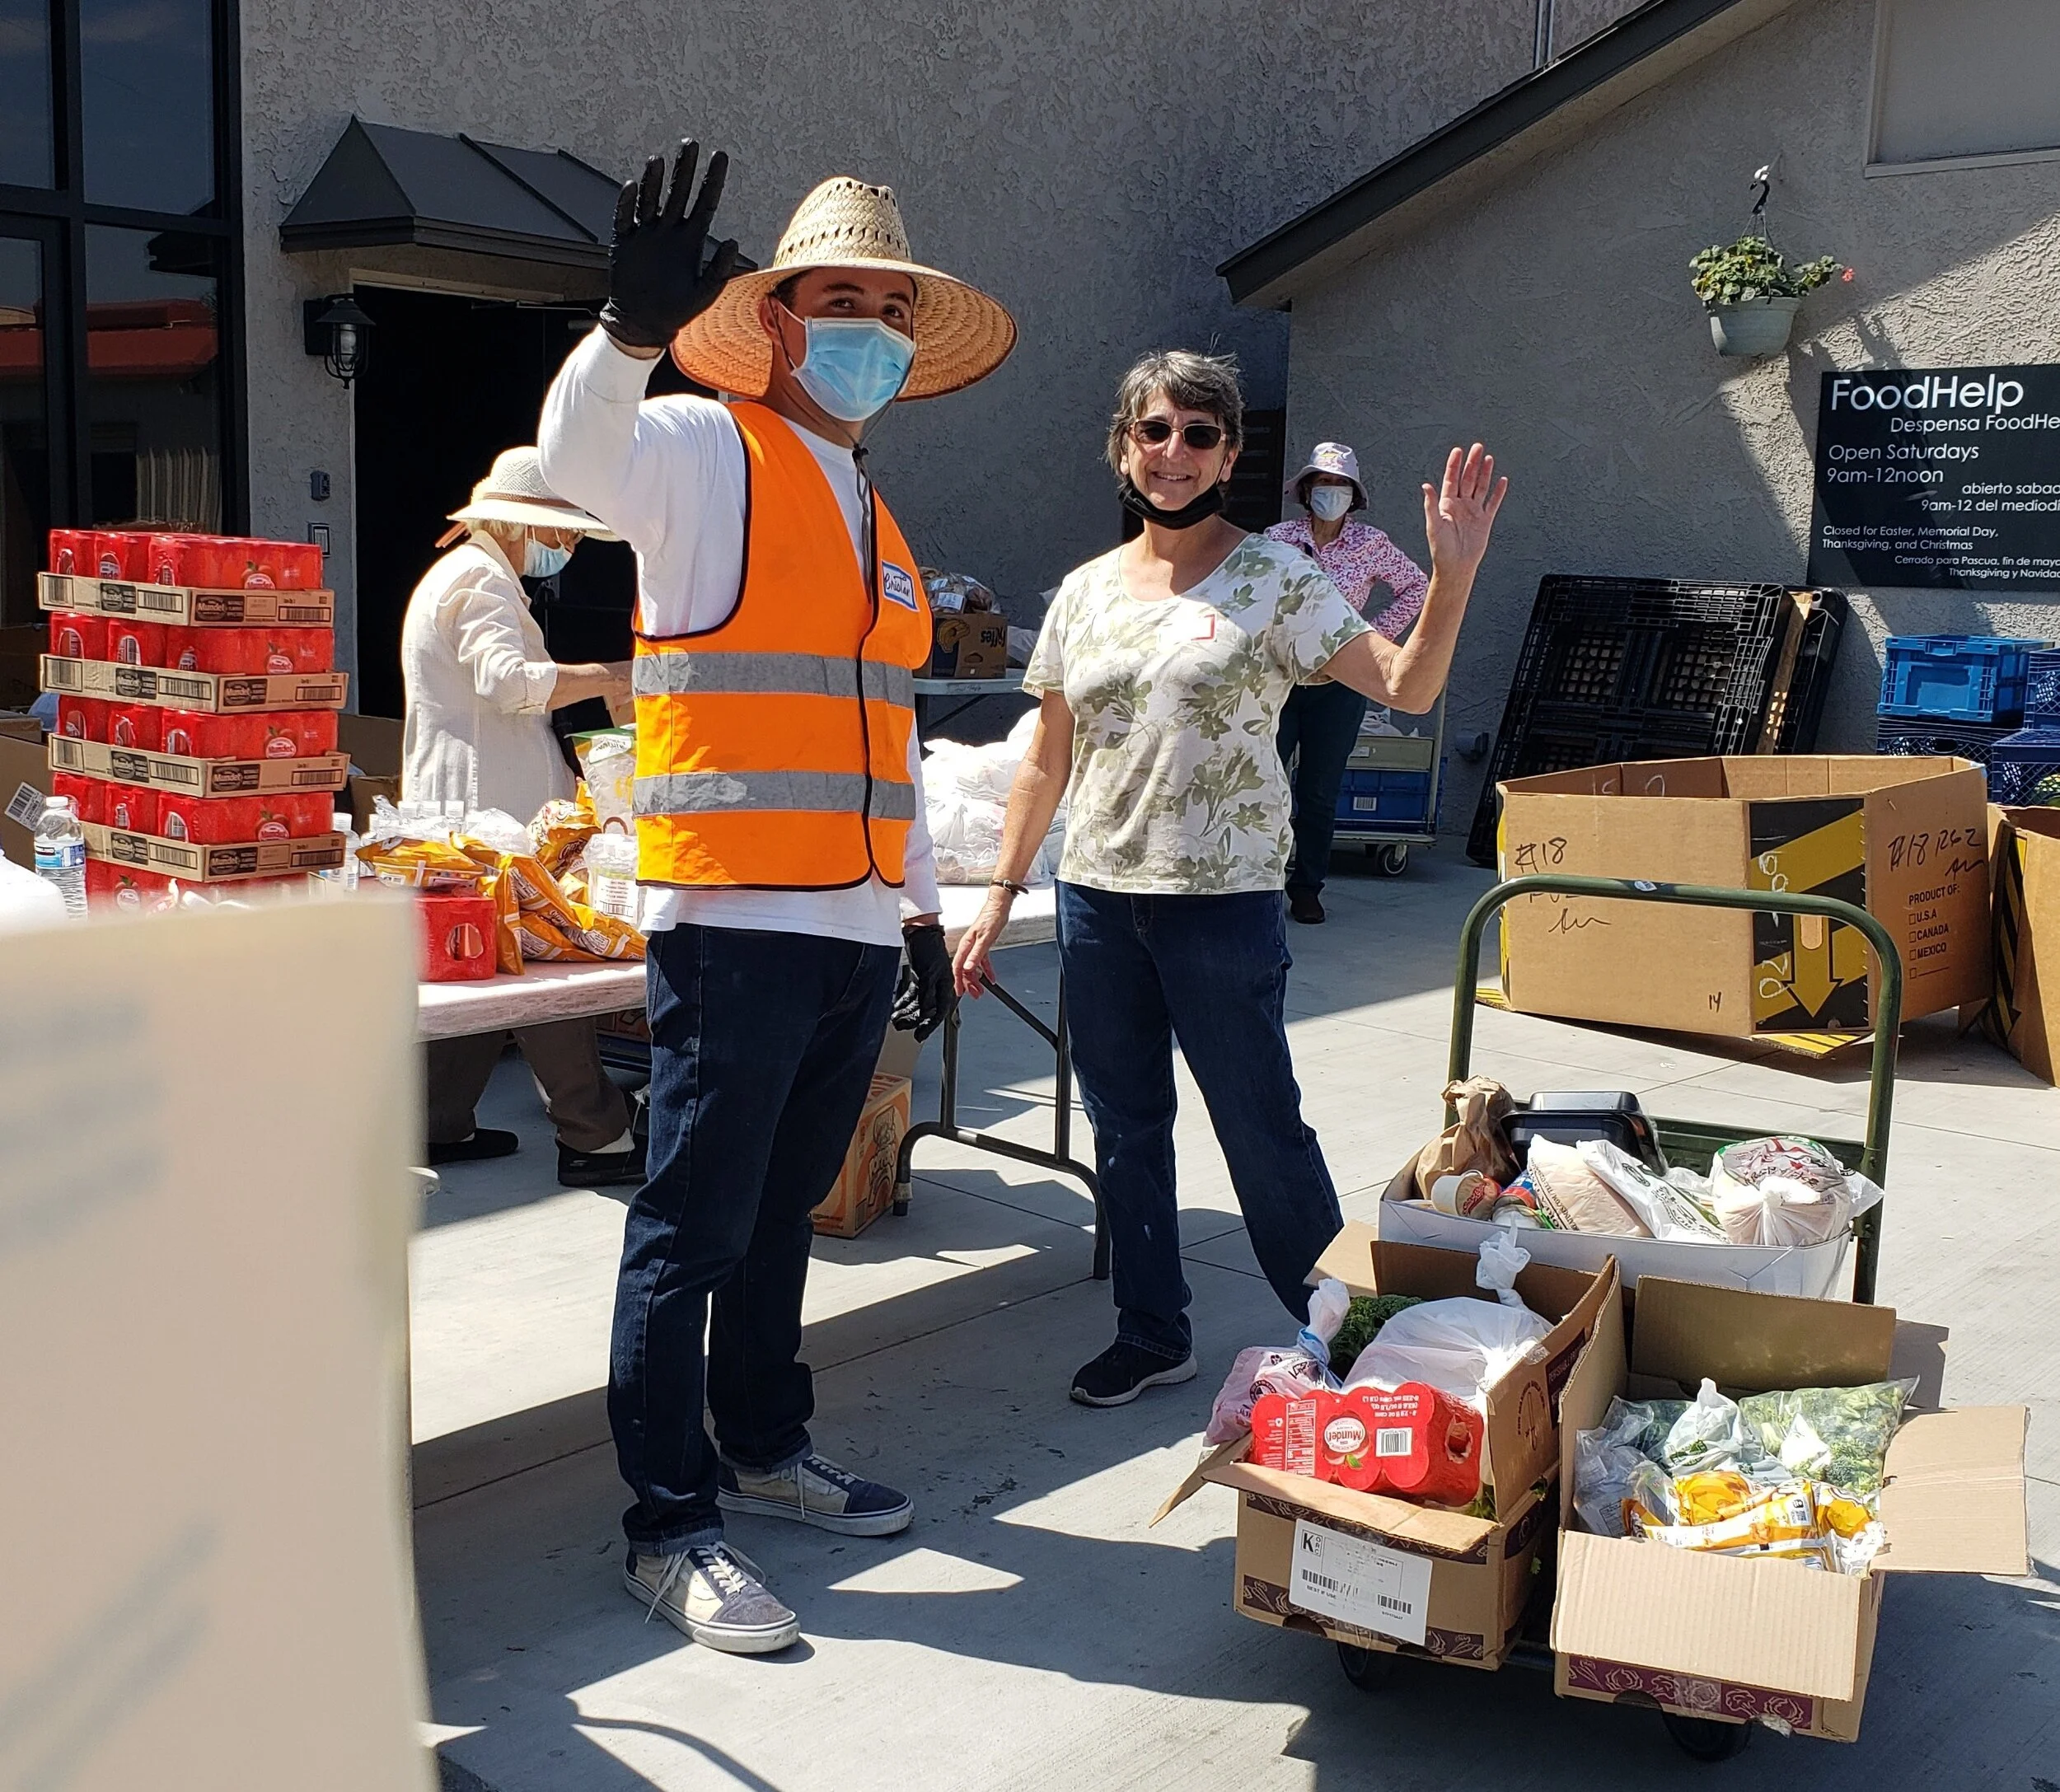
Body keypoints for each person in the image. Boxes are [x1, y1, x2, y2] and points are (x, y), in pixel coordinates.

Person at [539, 142, 1015, 1655]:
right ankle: (667, 1525)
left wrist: (924, 915)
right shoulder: (695, 445)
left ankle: (760, 1447)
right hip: (735, 919)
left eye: (893, 300)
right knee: (687, 1226)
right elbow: (571, 465)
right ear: (781, 321)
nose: (869, 323)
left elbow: (887, 736)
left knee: (779, 1222)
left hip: (851, 927)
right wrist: (621, 333)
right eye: (840, 298)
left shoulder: (878, 518)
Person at [953, 350, 1503, 1408]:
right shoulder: (1081, 594)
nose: (1174, 452)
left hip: (1222, 904)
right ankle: (1153, 1329)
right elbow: (1044, 758)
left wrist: (1455, 568)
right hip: (1099, 898)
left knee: (1260, 1126)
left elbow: (1409, 683)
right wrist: (997, 893)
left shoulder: (1277, 578)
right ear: (1123, 445)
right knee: (1125, 1125)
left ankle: (1345, 1337)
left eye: (1199, 435)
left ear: (1230, 456)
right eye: (1154, 431)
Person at [403, 446, 642, 1187]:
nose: (566, 550)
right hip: (489, 816)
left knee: (483, 967)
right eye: (562, 534)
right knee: (544, 966)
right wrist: (613, 675)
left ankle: (436, 1121)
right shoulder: (477, 578)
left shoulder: (472, 574)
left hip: (471, 809)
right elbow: (511, 684)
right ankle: (595, 1131)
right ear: (517, 523)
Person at [1266, 442, 1430, 924]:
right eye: (1323, 484)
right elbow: (1248, 592)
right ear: (1306, 490)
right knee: (1266, 784)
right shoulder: (1277, 539)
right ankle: (1259, 884)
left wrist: (1370, 638)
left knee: (1319, 790)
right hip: (1279, 676)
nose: (1331, 492)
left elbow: (1416, 586)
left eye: (1340, 485)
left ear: (1353, 494)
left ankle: (1307, 887)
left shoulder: (1372, 544)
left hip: (1339, 682)